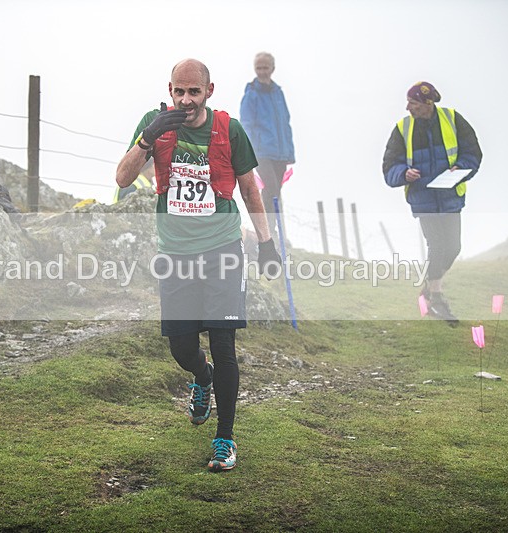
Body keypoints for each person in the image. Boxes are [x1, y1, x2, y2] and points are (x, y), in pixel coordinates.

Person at [116, 59, 281, 472]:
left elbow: (248, 189)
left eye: (194, 92)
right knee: (182, 348)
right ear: (169, 90)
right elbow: (122, 178)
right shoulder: (154, 124)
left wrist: (267, 243)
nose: (186, 100)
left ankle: (225, 438)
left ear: (209, 90)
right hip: (174, 254)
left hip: (222, 250)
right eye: (179, 92)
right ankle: (201, 378)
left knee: (224, 345)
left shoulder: (230, 129)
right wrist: (148, 136)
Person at [383, 81, 483, 325]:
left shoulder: (452, 119)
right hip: (423, 199)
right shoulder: (402, 128)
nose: (409, 108)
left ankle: (428, 288)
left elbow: (473, 153)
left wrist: (462, 167)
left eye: (414, 103)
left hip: (450, 197)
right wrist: (404, 174)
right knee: (437, 246)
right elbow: (389, 167)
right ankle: (436, 298)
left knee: (454, 248)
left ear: (428, 104)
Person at [240, 52, 295, 239]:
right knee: (271, 188)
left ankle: (268, 231)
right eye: (259, 68)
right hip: (261, 151)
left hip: (280, 152)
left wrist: (289, 152)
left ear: (272, 68)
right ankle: (269, 231)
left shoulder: (278, 93)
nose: (262, 71)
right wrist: (250, 149)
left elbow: (285, 122)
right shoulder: (251, 94)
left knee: (273, 191)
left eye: (265, 67)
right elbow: (246, 123)